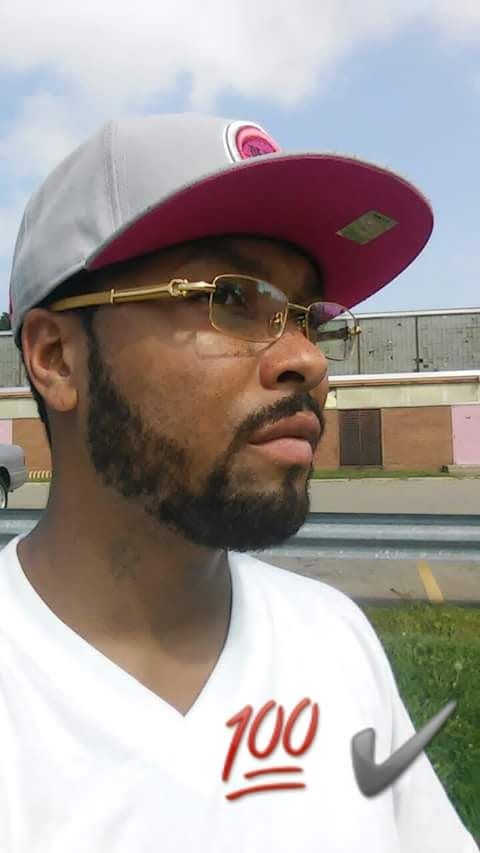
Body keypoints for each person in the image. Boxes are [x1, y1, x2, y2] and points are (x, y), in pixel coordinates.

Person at [1, 113, 477, 852]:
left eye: (312, 318)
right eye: (230, 298)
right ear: (57, 357)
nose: (308, 361)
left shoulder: (333, 639)